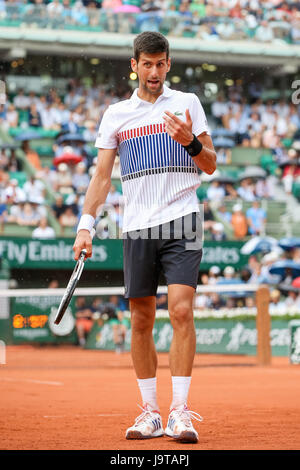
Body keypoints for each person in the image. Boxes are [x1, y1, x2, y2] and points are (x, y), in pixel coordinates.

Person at [72, 31, 216, 443]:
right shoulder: (116, 114)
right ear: (133, 66)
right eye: (146, 64)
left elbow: (210, 166)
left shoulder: (188, 104)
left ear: (169, 64)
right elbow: (101, 177)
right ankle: (151, 412)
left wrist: (188, 141)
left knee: (182, 312)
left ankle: (180, 412)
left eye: (160, 63)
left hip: (183, 219)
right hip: (136, 225)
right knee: (140, 319)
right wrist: (86, 225)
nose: (154, 71)